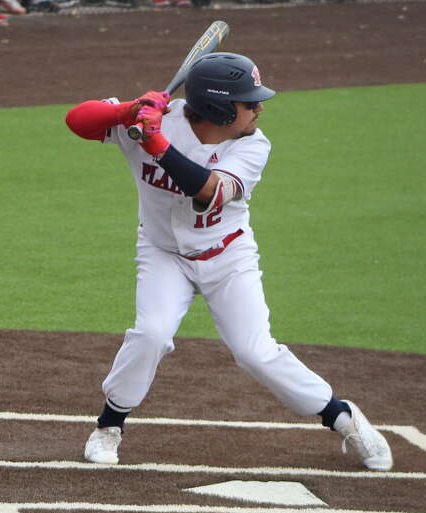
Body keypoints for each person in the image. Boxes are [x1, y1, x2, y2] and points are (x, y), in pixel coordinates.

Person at [63, 53, 393, 472]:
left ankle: (344, 418)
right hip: (164, 254)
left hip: (229, 256)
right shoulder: (153, 120)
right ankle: (109, 426)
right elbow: (76, 120)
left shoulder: (253, 145)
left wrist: (156, 145)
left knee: (255, 352)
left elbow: (211, 191)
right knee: (152, 333)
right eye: (248, 101)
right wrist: (128, 110)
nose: (259, 107)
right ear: (219, 108)